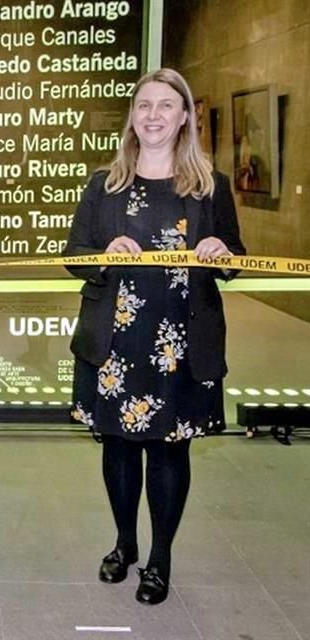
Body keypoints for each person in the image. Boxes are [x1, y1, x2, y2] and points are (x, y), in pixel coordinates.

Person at [63, 68, 245, 605]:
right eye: (144, 105)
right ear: (133, 116)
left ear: (185, 115)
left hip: (181, 346)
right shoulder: (105, 185)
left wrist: (220, 254)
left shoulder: (211, 186)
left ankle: (160, 558)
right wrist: (103, 253)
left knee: (169, 454)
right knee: (118, 448)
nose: (154, 115)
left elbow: (235, 259)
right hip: (115, 343)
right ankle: (124, 545)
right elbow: (75, 257)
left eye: (166, 105)